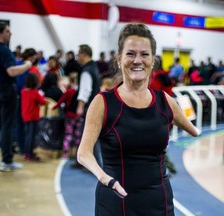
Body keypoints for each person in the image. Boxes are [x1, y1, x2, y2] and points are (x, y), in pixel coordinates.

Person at [77, 23, 199, 215]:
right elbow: (83, 154)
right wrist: (104, 178)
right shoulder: (103, 103)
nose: (137, 60)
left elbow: (193, 130)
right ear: (119, 59)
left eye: (144, 54)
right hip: (116, 200)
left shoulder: (164, 101)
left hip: (159, 201)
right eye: (130, 54)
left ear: (153, 60)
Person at [0, 22, 33, 171]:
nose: (10, 33)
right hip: (6, 90)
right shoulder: (3, 50)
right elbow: (11, 71)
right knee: (7, 126)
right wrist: (27, 65)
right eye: (7, 31)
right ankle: (6, 161)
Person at [71, 44, 101, 168]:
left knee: (88, 136)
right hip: (96, 106)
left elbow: (85, 91)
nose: (77, 57)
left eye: (78, 54)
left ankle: (92, 164)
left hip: (90, 107)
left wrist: (80, 107)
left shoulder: (86, 71)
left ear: (84, 54)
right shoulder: (94, 67)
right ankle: (84, 161)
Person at [52, 73, 80, 158]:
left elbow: (60, 101)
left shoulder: (69, 91)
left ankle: (65, 153)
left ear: (69, 81)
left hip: (69, 115)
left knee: (68, 134)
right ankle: (77, 154)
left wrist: (53, 107)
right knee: (78, 135)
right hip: (78, 116)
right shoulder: (80, 91)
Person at [21, 73, 46, 161]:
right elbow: (43, 101)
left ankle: (26, 152)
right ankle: (29, 154)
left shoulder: (23, 91)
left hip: (25, 116)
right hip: (33, 117)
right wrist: (42, 94)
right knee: (31, 136)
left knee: (27, 135)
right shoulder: (35, 93)